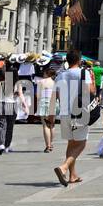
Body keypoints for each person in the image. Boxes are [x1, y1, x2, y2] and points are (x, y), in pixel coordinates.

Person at [54, 49, 94, 187]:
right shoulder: (84, 73)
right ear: (79, 60)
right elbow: (90, 91)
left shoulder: (60, 75)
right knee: (81, 143)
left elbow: (58, 96)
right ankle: (64, 167)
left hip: (65, 112)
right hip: (79, 112)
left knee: (71, 143)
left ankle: (72, 175)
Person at [36, 65, 57, 153]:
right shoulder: (54, 83)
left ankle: (48, 146)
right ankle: (51, 144)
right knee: (52, 125)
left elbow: (38, 95)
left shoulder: (41, 82)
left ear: (46, 73)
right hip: (53, 103)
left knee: (45, 125)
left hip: (44, 103)